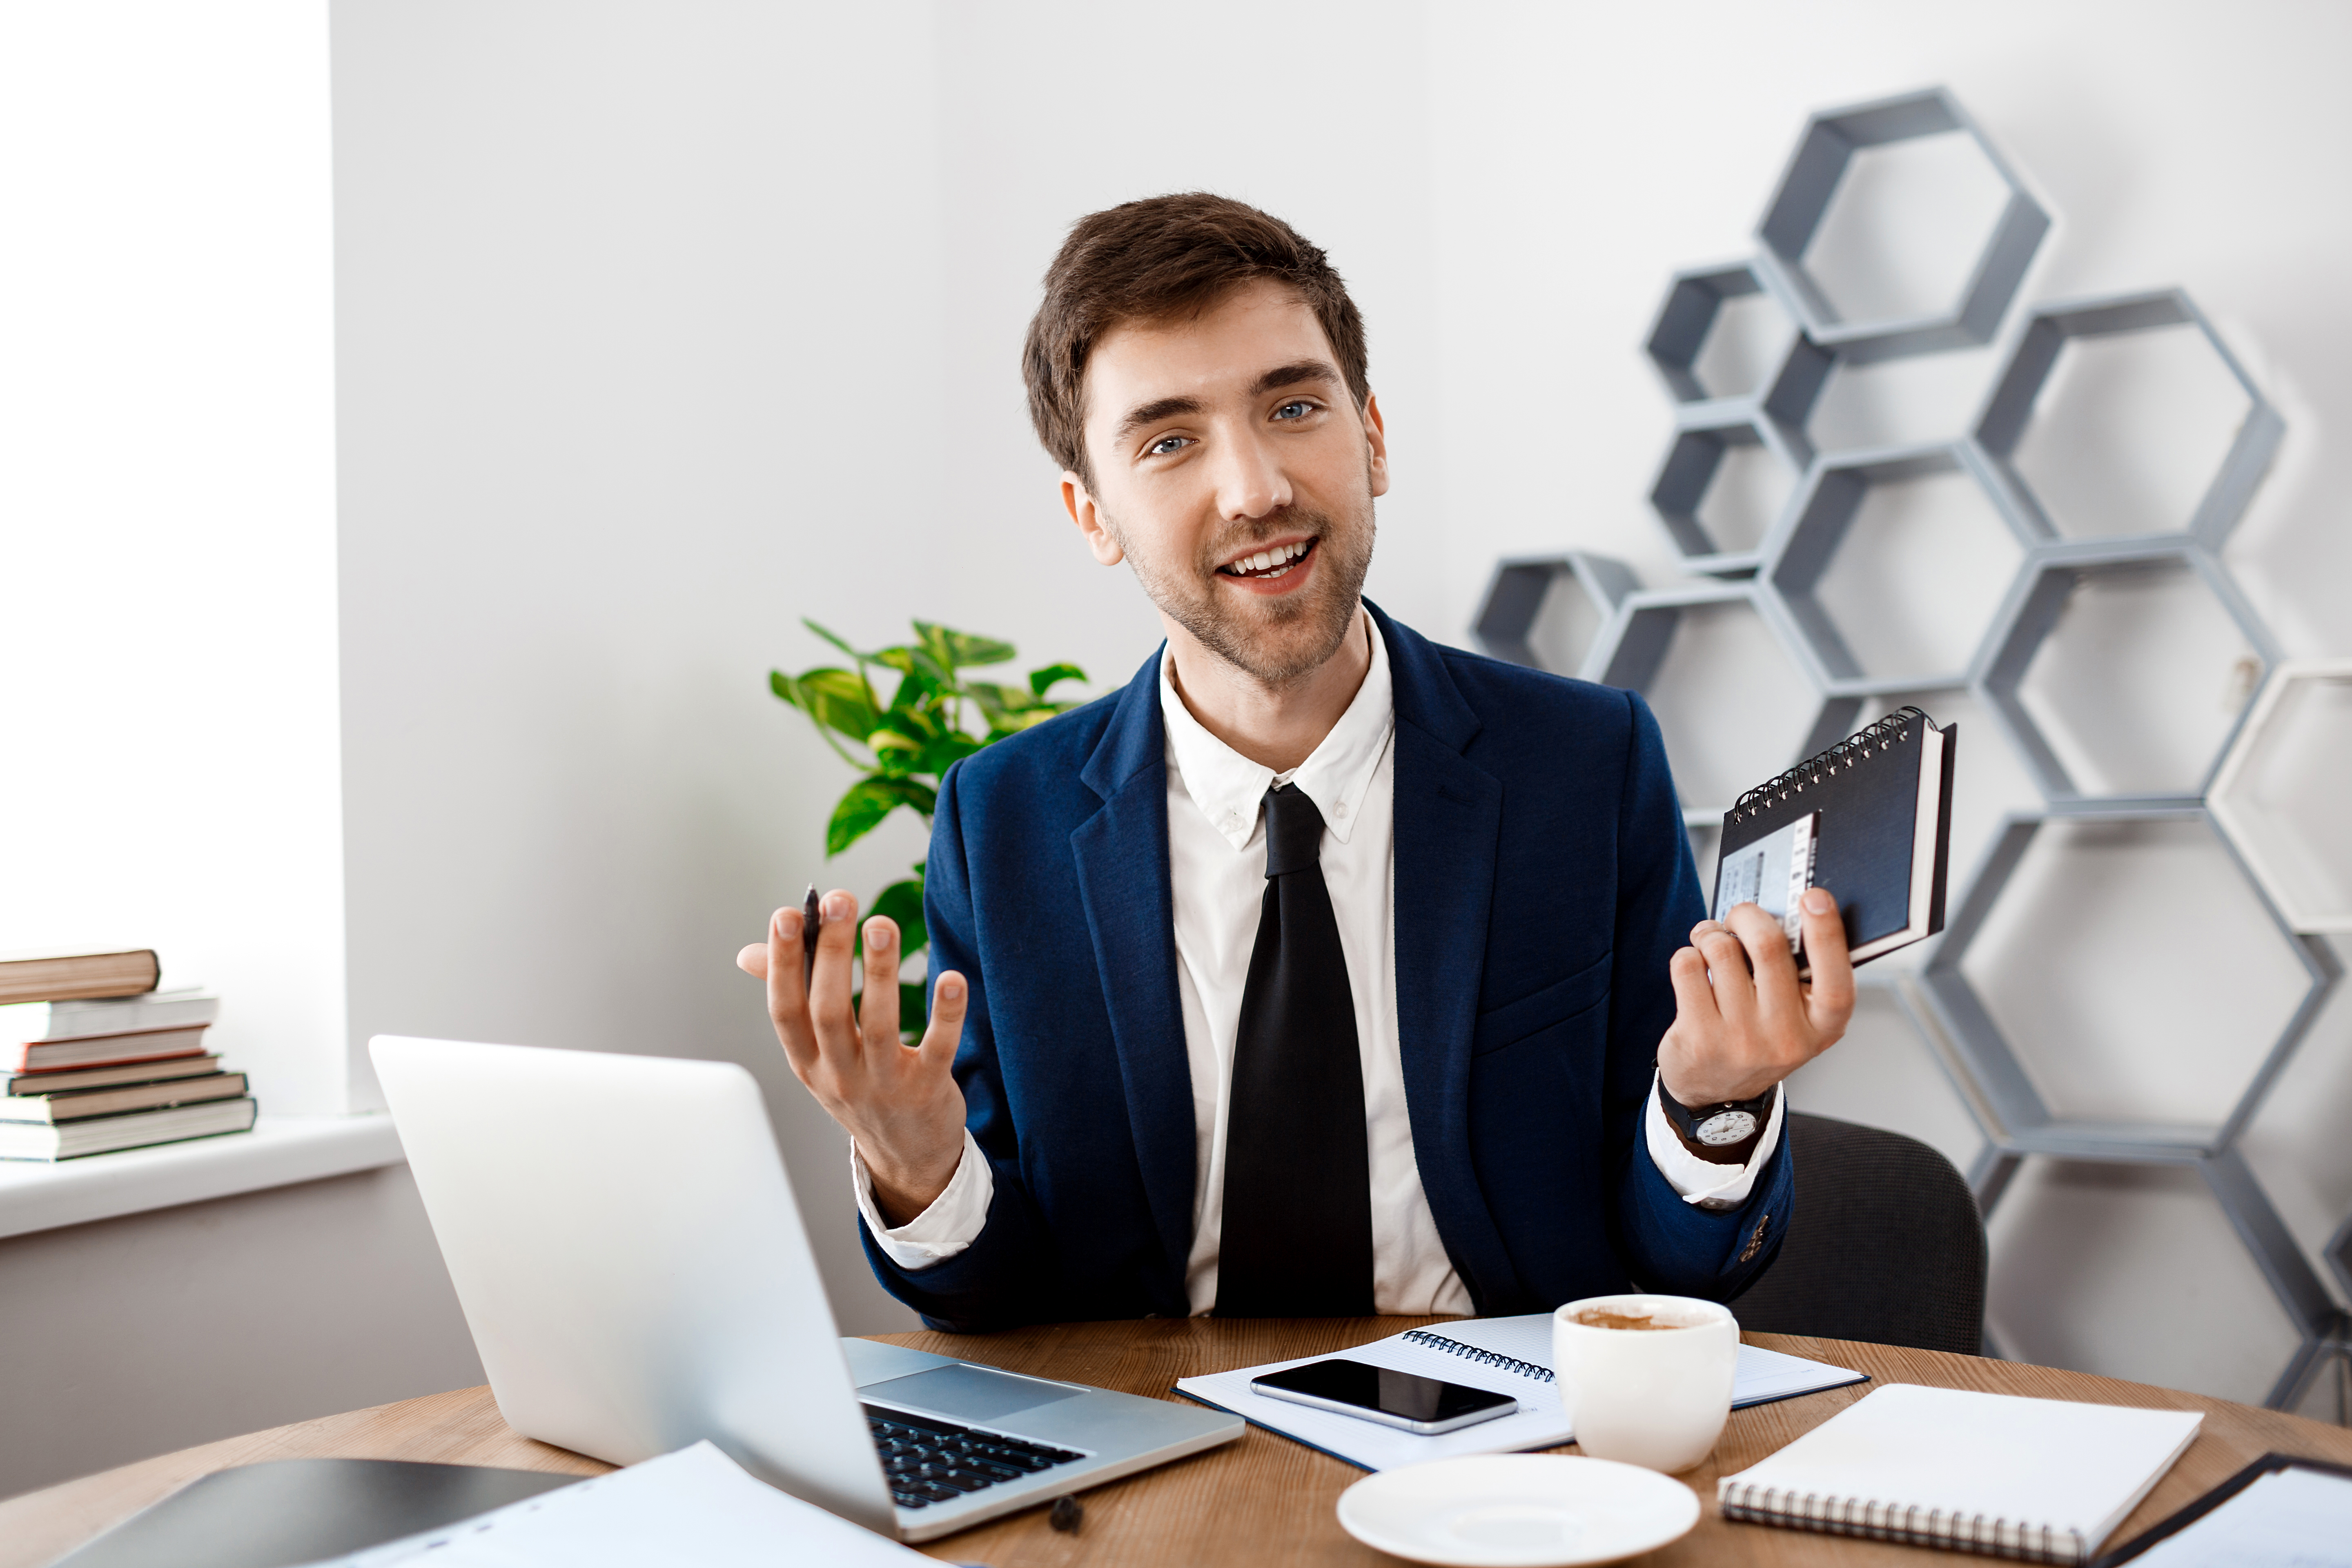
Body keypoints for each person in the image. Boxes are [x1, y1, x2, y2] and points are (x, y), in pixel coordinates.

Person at [738, 193, 1852, 1330]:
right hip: (1156, 1460)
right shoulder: (1003, 821)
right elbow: (1000, 1302)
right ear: (1093, 513)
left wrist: (1714, 1103)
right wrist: (917, 1164)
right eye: (1170, 441)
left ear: (1371, 437)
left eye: (1294, 405)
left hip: (1503, 1458)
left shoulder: (1585, 765)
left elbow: (1681, 1274)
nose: (1257, 489)